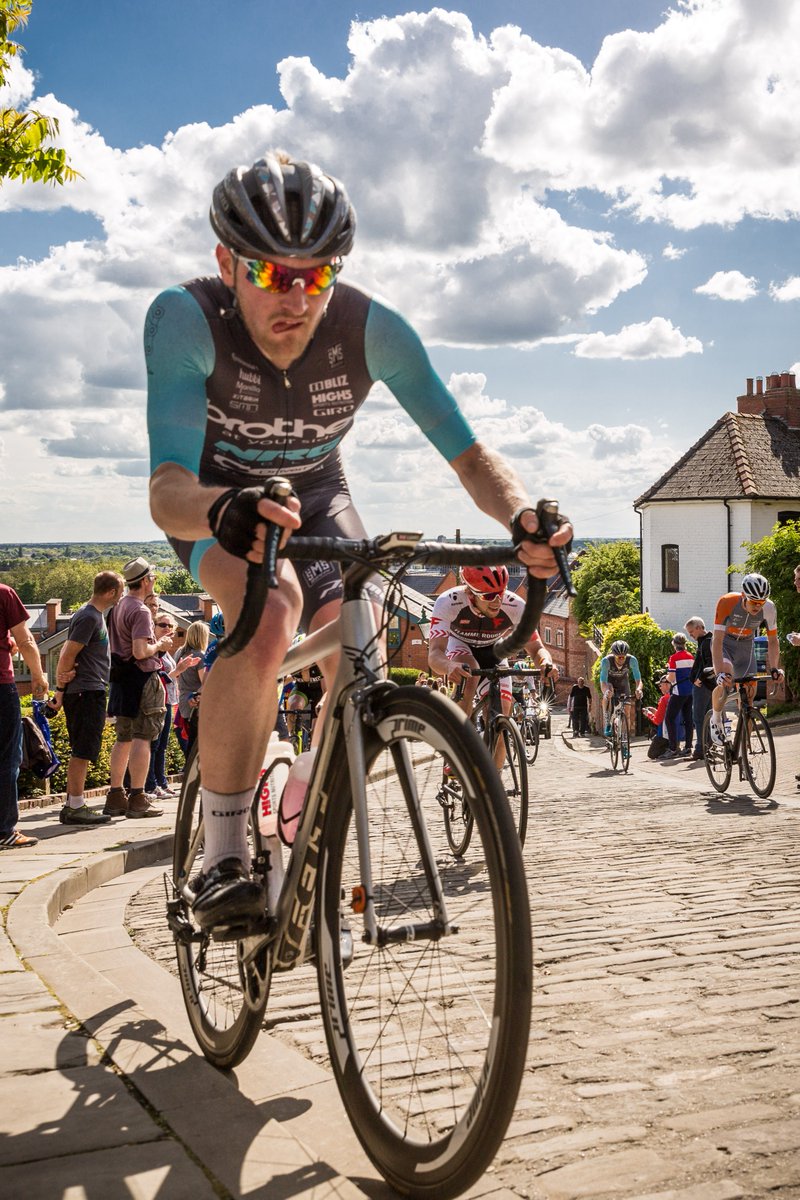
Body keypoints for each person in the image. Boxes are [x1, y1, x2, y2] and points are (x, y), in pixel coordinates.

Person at [145, 150, 572, 933]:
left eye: (317, 275)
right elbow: (165, 490)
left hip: (316, 495)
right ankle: (225, 855)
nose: (297, 297)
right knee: (269, 613)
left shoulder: (374, 330)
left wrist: (519, 520)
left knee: (362, 635)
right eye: (271, 274)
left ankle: (310, 795)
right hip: (221, 500)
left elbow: (471, 456)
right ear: (225, 265)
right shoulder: (185, 317)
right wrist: (219, 510)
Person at [427, 565, 557, 766]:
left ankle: (493, 787)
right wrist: (448, 666)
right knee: (469, 671)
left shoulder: (516, 606)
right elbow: (435, 653)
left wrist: (546, 662)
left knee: (502, 716)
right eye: (488, 596)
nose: (497, 601)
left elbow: (536, 647)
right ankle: (456, 750)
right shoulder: (448, 602)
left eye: (501, 593)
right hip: (459, 646)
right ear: (470, 593)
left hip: (494, 650)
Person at [49, 571, 125, 824]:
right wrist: (60, 689)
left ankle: (73, 804)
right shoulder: (89, 616)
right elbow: (67, 653)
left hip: (89, 689)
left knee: (84, 748)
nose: (121, 595)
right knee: (82, 749)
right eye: (120, 590)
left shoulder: (93, 615)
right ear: (112, 592)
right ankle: (75, 807)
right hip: (84, 691)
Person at [104, 559, 169, 818]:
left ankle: (116, 795)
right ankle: (139, 796)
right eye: (152, 576)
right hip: (142, 678)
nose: (153, 580)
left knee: (123, 738)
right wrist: (160, 644)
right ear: (144, 581)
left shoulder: (118, 606)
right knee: (144, 737)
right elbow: (141, 651)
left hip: (121, 679)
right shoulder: (141, 611)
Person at [0, 583, 48, 849]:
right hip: (1, 685)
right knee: (7, 757)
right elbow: (26, 639)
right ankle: (4, 829)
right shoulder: (4, 593)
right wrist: (38, 676)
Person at [709, 573, 783, 746]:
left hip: (746, 646)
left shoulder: (769, 608)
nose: (758, 606)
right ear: (744, 596)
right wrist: (719, 672)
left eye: (761, 602)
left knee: (748, 701)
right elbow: (718, 640)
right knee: (726, 679)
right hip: (726, 643)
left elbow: (773, 640)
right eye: (754, 601)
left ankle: (743, 750)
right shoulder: (726, 602)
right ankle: (716, 718)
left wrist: (774, 668)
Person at [174, 621, 209, 754]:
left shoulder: (180, 652)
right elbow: (204, 682)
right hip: (195, 702)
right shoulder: (199, 655)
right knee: (196, 742)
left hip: (182, 699)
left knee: (190, 738)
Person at [599, 640, 643, 740]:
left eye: (623, 656)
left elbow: (638, 680)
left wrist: (639, 689)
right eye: (619, 657)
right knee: (609, 691)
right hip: (609, 682)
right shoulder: (606, 661)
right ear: (614, 655)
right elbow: (603, 682)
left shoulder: (632, 660)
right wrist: (606, 692)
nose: (621, 659)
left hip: (623, 683)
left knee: (627, 711)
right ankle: (607, 722)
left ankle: (625, 738)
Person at [684, 616, 713, 761]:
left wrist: (699, 678)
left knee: (699, 718)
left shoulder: (707, 642)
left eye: (691, 632)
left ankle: (700, 750)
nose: (691, 636)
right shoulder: (707, 641)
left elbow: (709, 663)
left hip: (703, 686)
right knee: (708, 717)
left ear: (699, 628)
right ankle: (709, 748)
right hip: (710, 686)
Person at [663, 632, 695, 759]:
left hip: (678, 691)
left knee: (669, 718)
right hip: (690, 690)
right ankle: (688, 747)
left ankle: (673, 748)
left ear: (674, 644)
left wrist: (666, 675)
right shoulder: (690, 656)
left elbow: (671, 678)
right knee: (688, 719)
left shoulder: (674, 658)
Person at [643, 675, 672, 759]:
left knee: (651, 754)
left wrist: (648, 713)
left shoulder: (664, 699)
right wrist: (655, 711)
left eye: (660, 685)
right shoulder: (675, 697)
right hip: (674, 734)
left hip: (663, 734)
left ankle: (666, 749)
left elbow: (657, 721)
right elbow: (665, 716)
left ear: (666, 685)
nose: (660, 688)